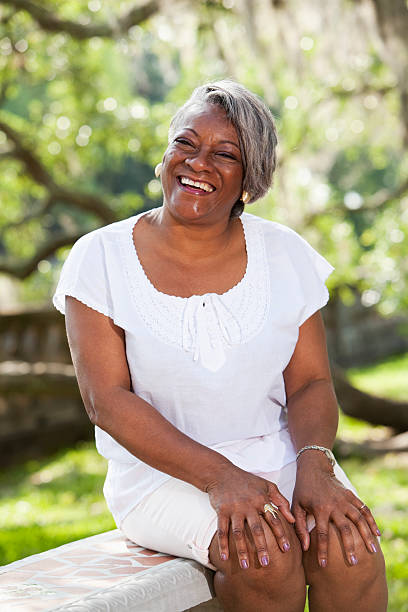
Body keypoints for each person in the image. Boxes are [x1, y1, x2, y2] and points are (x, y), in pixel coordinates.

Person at [53, 80, 387, 611]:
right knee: (264, 553)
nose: (198, 163)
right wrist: (224, 480)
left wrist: (317, 466)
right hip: (162, 476)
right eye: (186, 144)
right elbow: (106, 401)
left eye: (224, 154)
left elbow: (311, 383)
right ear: (165, 156)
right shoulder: (100, 259)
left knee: (349, 550)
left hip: (281, 454)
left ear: (249, 180)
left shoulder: (285, 253)